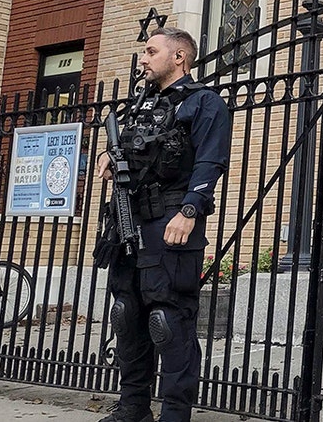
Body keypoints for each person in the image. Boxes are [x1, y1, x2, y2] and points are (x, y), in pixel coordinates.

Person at [95, 27, 230, 422]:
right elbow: (132, 151)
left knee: (167, 321)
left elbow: (211, 161)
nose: (143, 59)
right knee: (127, 314)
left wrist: (189, 212)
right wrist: (108, 155)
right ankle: (133, 408)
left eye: (151, 51)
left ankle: (174, 413)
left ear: (179, 58)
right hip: (126, 221)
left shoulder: (203, 103)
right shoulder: (139, 107)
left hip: (170, 221)